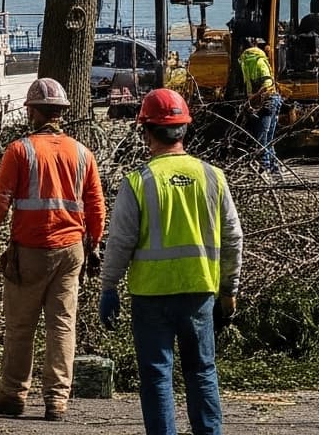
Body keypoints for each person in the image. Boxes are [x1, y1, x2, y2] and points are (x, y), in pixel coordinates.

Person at [98, 88, 240, 435]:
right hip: (199, 292)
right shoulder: (213, 177)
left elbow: (119, 242)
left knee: (157, 376)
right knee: (202, 371)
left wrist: (109, 286)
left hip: (152, 297)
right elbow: (233, 238)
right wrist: (229, 289)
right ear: (184, 130)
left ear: (146, 131)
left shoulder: (139, 182)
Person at [0, 77, 105, 421]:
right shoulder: (82, 152)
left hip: (32, 249)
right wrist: (94, 244)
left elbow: (0, 200)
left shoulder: (20, 150)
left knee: (21, 326)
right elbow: (95, 204)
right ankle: (57, 400)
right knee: (62, 325)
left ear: (32, 111)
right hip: (71, 249)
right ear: (61, 113)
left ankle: (14, 394)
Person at [237, 35, 281, 176]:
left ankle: (265, 172)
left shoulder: (245, 62)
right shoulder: (259, 59)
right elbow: (269, 85)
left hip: (266, 101)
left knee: (262, 140)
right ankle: (274, 172)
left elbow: (262, 87)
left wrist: (253, 99)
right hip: (272, 100)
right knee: (267, 139)